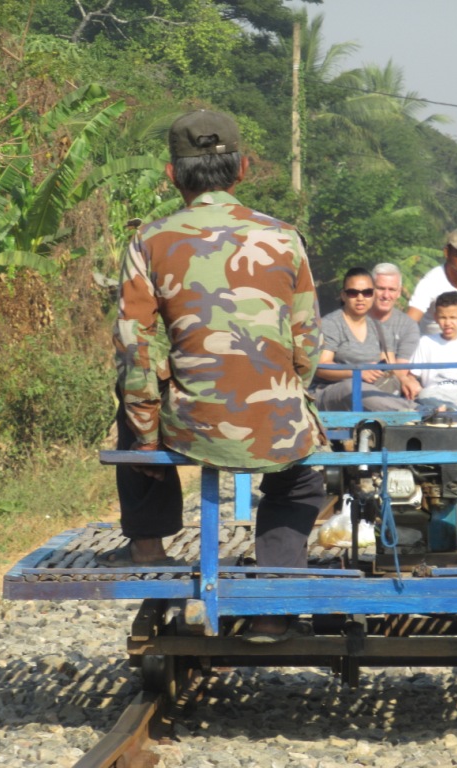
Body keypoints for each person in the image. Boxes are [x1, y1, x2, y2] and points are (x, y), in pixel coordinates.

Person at [110, 109, 327, 643]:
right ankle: (273, 604)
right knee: (300, 480)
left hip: (191, 425)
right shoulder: (283, 237)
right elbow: (308, 347)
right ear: (243, 168)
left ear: (171, 174)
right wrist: (283, 390)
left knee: (132, 408)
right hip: (273, 420)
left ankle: (147, 547)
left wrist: (143, 441)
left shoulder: (150, 241)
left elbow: (134, 349)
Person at [312, 267, 414, 411]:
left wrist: (405, 380)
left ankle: (430, 412)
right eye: (353, 293)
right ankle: (418, 412)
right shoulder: (331, 324)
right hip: (332, 392)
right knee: (353, 387)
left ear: (373, 295)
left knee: (414, 388)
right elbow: (322, 367)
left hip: (373, 391)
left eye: (366, 293)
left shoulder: (379, 328)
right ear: (343, 295)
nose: (360, 298)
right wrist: (358, 372)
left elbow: (390, 365)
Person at [369, 262, 421, 399]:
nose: (386, 295)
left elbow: (401, 369)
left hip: (392, 387)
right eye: (380, 288)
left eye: (391, 290)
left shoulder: (408, 326)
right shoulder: (356, 319)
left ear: (399, 292)